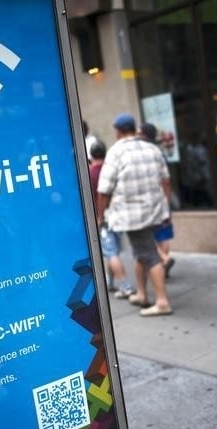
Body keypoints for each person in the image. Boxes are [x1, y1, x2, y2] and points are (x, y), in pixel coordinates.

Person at [96, 113, 173, 317]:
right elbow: (166, 180)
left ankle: (162, 301)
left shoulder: (116, 152)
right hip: (155, 211)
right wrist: (166, 205)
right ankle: (141, 294)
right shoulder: (152, 148)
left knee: (149, 254)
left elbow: (104, 189)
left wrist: (100, 215)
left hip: (132, 214)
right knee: (141, 251)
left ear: (118, 131)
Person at [88, 141, 135, 300]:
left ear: (91, 155)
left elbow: (96, 197)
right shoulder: (110, 169)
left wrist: (99, 218)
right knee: (111, 251)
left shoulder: (91, 172)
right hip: (118, 216)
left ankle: (125, 286)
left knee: (111, 253)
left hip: (104, 218)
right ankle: (109, 282)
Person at [139, 122, 176, 277]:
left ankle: (163, 260)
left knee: (147, 235)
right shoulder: (159, 152)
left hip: (148, 200)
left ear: (143, 134)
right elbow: (166, 179)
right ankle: (164, 262)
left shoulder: (142, 152)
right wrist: (167, 199)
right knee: (163, 234)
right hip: (162, 199)